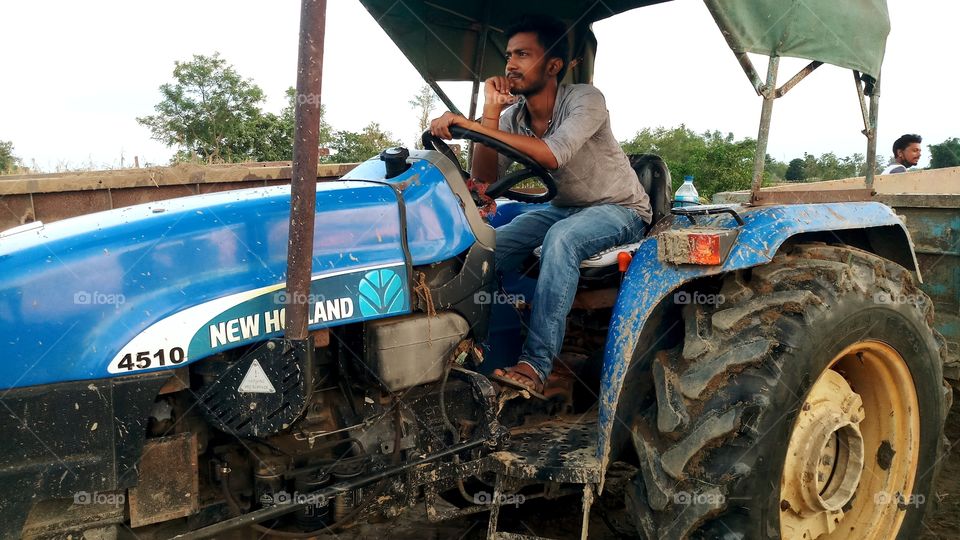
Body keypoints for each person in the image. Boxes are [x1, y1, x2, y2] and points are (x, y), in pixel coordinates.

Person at [429, 15, 652, 396]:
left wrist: (472, 126)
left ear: (553, 66)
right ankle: (464, 351)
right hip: (563, 207)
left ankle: (536, 364)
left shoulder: (585, 100)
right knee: (486, 249)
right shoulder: (515, 117)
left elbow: (553, 154)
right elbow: (484, 180)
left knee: (562, 239)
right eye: (509, 56)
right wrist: (491, 114)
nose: (511, 65)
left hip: (620, 209)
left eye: (523, 55)